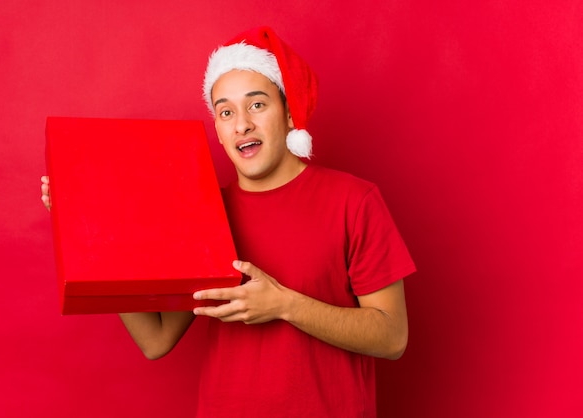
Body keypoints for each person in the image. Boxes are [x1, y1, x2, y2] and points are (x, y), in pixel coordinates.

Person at [41, 26, 416, 418]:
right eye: (225, 111)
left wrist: (285, 305)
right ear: (218, 132)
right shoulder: (202, 212)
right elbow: (155, 340)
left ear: (289, 114)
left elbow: (392, 338)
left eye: (257, 105)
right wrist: (82, 222)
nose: (242, 125)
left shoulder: (354, 201)